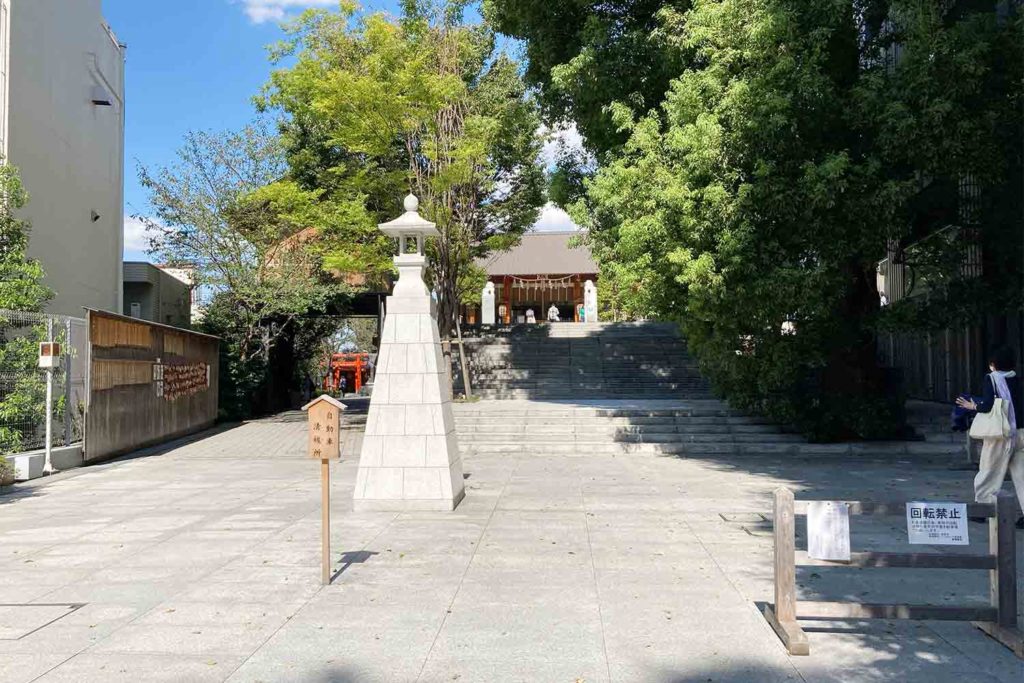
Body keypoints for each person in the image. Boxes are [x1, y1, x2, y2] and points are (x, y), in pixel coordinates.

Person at [956, 346, 1024, 529]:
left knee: (989, 470)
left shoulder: (991, 378)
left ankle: (982, 510)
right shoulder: (1016, 379)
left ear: (993, 365)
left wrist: (972, 406)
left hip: (1000, 434)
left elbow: (987, 405)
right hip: (1021, 433)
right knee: (1022, 475)